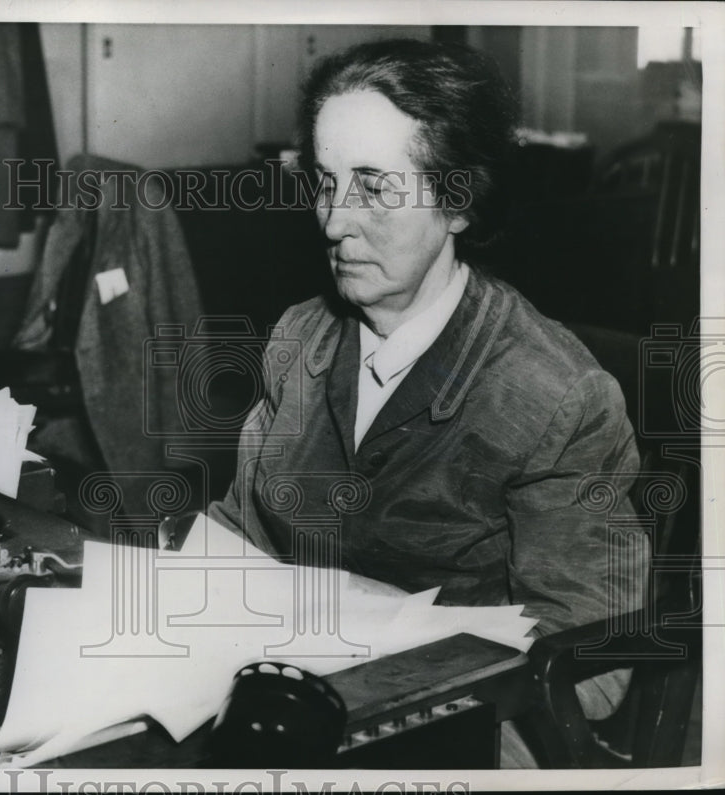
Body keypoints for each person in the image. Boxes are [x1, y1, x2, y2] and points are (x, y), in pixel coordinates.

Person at [208, 38, 647, 767]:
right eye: (325, 182)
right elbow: (241, 535)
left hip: (472, 723)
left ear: (457, 202)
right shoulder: (299, 337)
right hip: (290, 689)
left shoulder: (557, 398)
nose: (333, 221)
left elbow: (596, 660)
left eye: (375, 187)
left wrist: (383, 673)